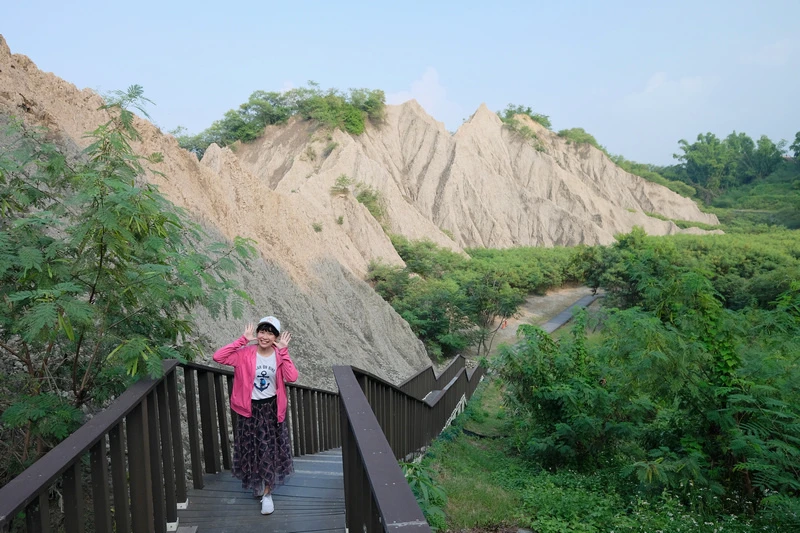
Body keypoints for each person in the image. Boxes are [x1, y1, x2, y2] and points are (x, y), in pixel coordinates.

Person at [213, 315, 298, 515]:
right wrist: (243, 339)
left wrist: (284, 352)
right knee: (252, 450)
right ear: (257, 333)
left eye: (270, 333)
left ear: (276, 337)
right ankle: (258, 483)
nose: (264, 336)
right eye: (262, 331)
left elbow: (292, 376)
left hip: (270, 409)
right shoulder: (245, 353)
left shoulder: (278, 355)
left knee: (268, 450)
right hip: (249, 409)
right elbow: (218, 357)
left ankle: (267, 494)